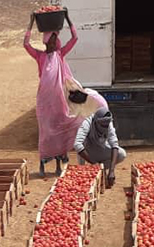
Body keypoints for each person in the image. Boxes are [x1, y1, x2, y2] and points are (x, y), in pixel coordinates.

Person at [24, 13, 107, 177]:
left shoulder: (60, 54)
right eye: (52, 40)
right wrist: (31, 22)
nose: (55, 42)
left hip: (60, 100)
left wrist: (68, 19)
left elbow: (75, 38)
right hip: (45, 102)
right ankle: (43, 164)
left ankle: (59, 165)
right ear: (46, 41)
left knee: (61, 129)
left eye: (56, 39)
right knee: (47, 132)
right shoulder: (40, 57)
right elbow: (26, 44)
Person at [74, 107, 127, 188]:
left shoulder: (108, 123)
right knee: (81, 145)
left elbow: (114, 144)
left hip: (101, 148)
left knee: (121, 154)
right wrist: (94, 164)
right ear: (96, 122)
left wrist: (111, 171)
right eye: (102, 125)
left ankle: (101, 170)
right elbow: (77, 144)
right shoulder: (87, 122)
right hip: (87, 152)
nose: (104, 127)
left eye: (106, 125)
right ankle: (85, 171)